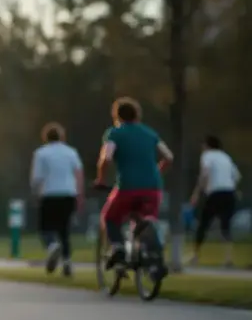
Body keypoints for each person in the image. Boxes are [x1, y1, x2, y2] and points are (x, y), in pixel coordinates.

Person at [94, 97, 173, 278]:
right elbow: (169, 157)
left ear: (116, 115)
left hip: (128, 186)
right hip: (153, 187)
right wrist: (156, 173)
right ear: (138, 115)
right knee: (147, 220)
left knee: (109, 217)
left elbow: (106, 159)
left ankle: (118, 248)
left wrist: (100, 179)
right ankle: (153, 260)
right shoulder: (150, 133)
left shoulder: (115, 133)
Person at [30, 122, 84, 277]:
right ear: (62, 136)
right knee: (64, 230)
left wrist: (35, 193)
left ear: (45, 137)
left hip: (49, 194)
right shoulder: (71, 152)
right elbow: (78, 173)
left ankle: (52, 246)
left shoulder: (41, 153)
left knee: (45, 228)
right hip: (68, 193)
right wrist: (79, 194)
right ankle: (67, 262)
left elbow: (37, 178)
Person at [190, 135, 241, 267]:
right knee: (226, 225)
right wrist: (234, 188)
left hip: (215, 193)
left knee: (203, 223)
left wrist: (197, 193)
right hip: (229, 193)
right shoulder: (226, 157)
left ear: (208, 146)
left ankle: (195, 256)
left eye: (203, 145)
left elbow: (205, 173)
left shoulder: (207, 156)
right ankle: (228, 258)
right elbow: (237, 176)